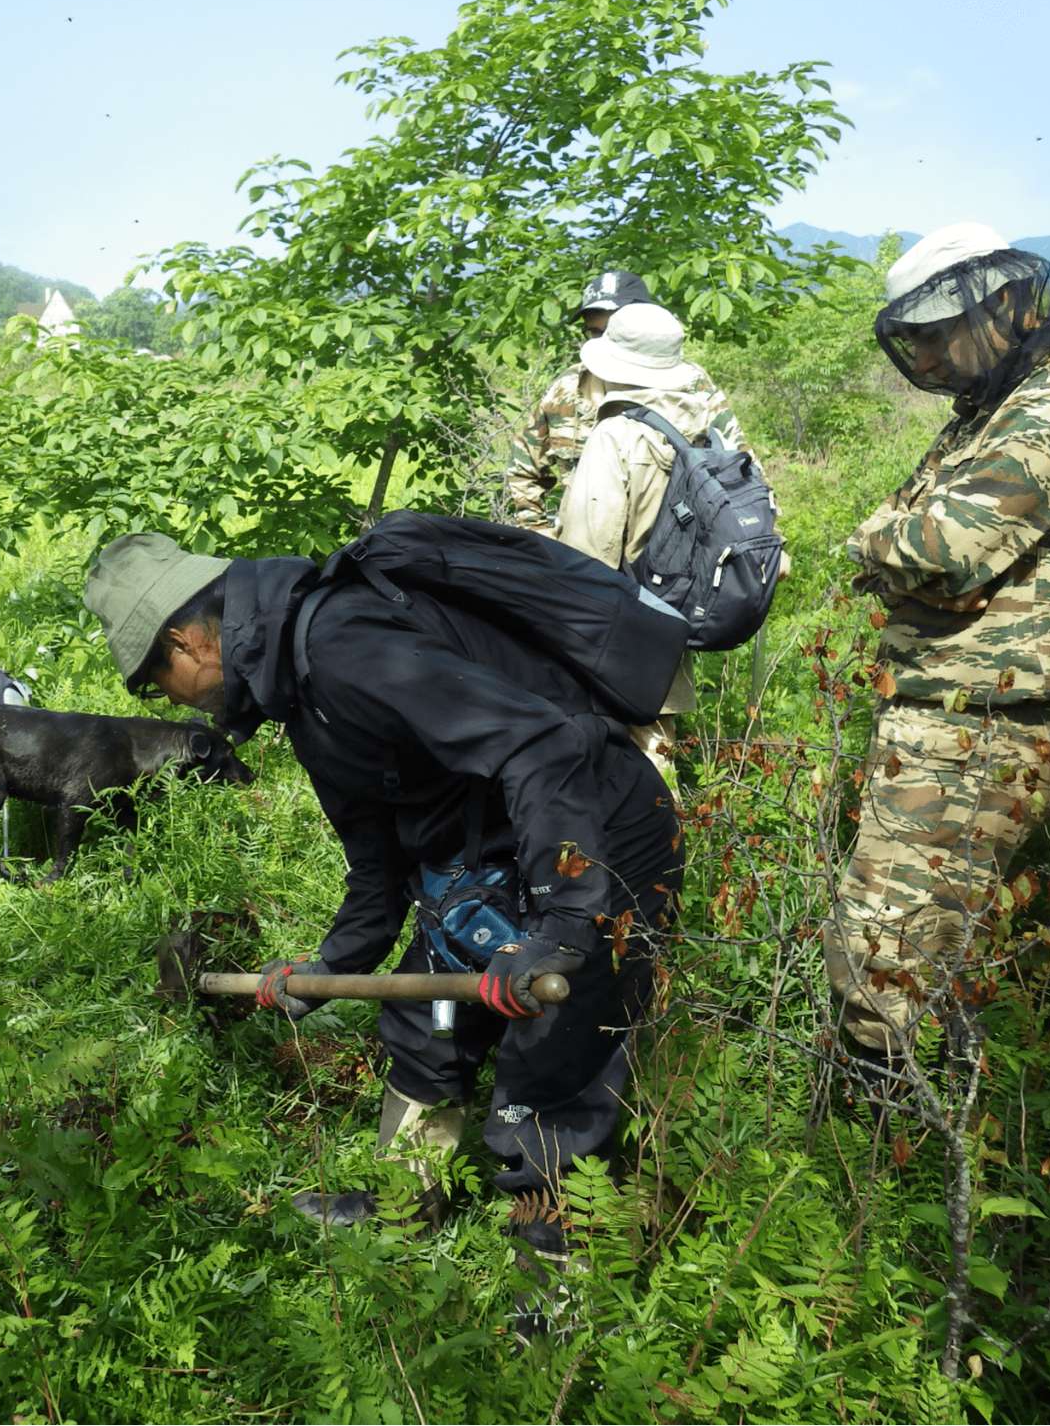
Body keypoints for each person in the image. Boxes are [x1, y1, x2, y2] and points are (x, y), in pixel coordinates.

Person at [82, 528, 683, 1285]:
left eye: (148, 683)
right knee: (426, 1024)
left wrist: (563, 927)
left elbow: (544, 748)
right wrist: (333, 965)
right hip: (496, 851)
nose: (158, 701)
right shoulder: (299, 686)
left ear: (185, 642)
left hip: (594, 839)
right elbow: (377, 851)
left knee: (547, 1070)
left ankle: (559, 1284)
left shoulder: (343, 648)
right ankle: (406, 1203)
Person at [831, 222, 1050, 1079]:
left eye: (938, 334)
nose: (925, 360)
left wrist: (882, 543)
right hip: (954, 709)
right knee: (916, 943)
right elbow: (926, 546)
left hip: (988, 719)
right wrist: (904, 551)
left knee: (884, 957)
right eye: (914, 339)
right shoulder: (999, 405)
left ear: (1002, 303)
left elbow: (944, 547)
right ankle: (924, 1141)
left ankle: (874, 1168)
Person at [553, 301, 771, 783]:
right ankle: (675, 850)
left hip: (617, 631)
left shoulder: (617, 435)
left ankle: (640, 856)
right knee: (657, 753)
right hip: (673, 618)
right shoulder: (708, 431)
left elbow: (585, 554)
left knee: (617, 770)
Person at [503, 268, 655, 531]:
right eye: (595, 333)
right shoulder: (566, 390)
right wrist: (539, 534)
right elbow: (524, 469)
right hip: (585, 550)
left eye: (613, 331)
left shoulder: (686, 385)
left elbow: (737, 471)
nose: (604, 342)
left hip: (669, 555)